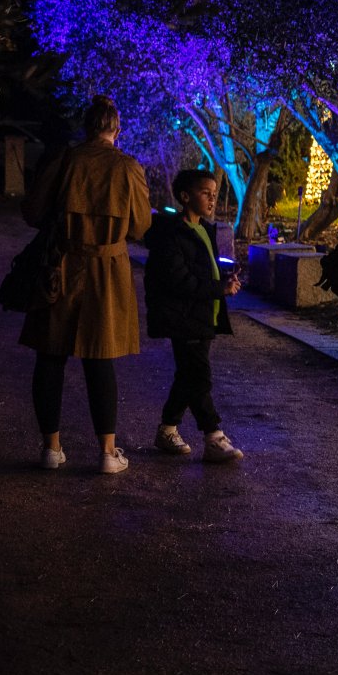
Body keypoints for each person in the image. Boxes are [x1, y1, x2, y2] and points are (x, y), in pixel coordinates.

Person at [20, 95, 152, 474]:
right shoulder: (128, 167)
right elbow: (142, 226)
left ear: (86, 125)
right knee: (100, 357)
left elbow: (32, 212)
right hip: (108, 271)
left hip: (60, 266)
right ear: (117, 128)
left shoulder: (66, 160)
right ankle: (108, 453)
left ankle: (51, 448)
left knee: (50, 356)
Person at [144, 169, 246, 462]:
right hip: (183, 316)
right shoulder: (172, 234)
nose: (213, 198)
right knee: (199, 375)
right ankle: (213, 436)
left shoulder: (204, 228)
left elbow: (203, 269)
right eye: (206, 192)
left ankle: (167, 429)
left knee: (188, 375)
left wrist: (225, 279)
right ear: (186, 196)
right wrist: (218, 287)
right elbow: (178, 280)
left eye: (215, 193)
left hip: (203, 314)